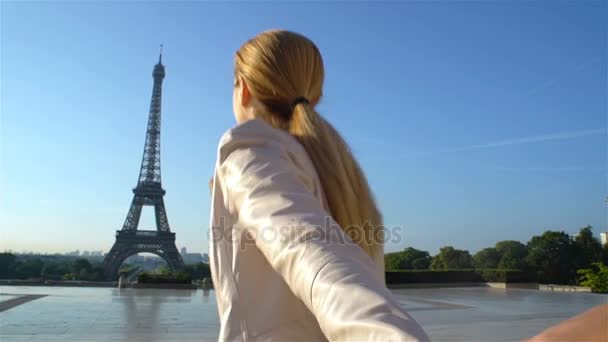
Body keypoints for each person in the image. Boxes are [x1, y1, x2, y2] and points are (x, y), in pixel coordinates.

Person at [208, 30, 429, 341]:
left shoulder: (251, 151)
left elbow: (306, 249)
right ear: (317, 96)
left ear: (243, 89)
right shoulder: (338, 172)